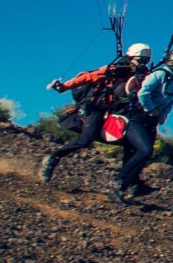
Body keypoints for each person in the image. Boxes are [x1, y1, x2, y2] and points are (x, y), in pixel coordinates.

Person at [37, 42, 150, 185]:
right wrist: (65, 86)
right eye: (140, 60)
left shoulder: (142, 75)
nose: (142, 64)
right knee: (86, 139)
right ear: (130, 57)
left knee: (131, 144)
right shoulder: (116, 69)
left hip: (117, 110)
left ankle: (129, 182)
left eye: (145, 61)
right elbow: (89, 77)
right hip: (97, 107)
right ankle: (53, 158)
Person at [110, 47, 173, 203]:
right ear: (171, 60)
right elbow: (143, 92)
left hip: (152, 121)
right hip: (137, 117)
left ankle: (122, 188)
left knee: (145, 155)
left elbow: (171, 101)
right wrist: (150, 109)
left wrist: (162, 117)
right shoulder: (160, 74)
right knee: (144, 150)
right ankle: (118, 181)